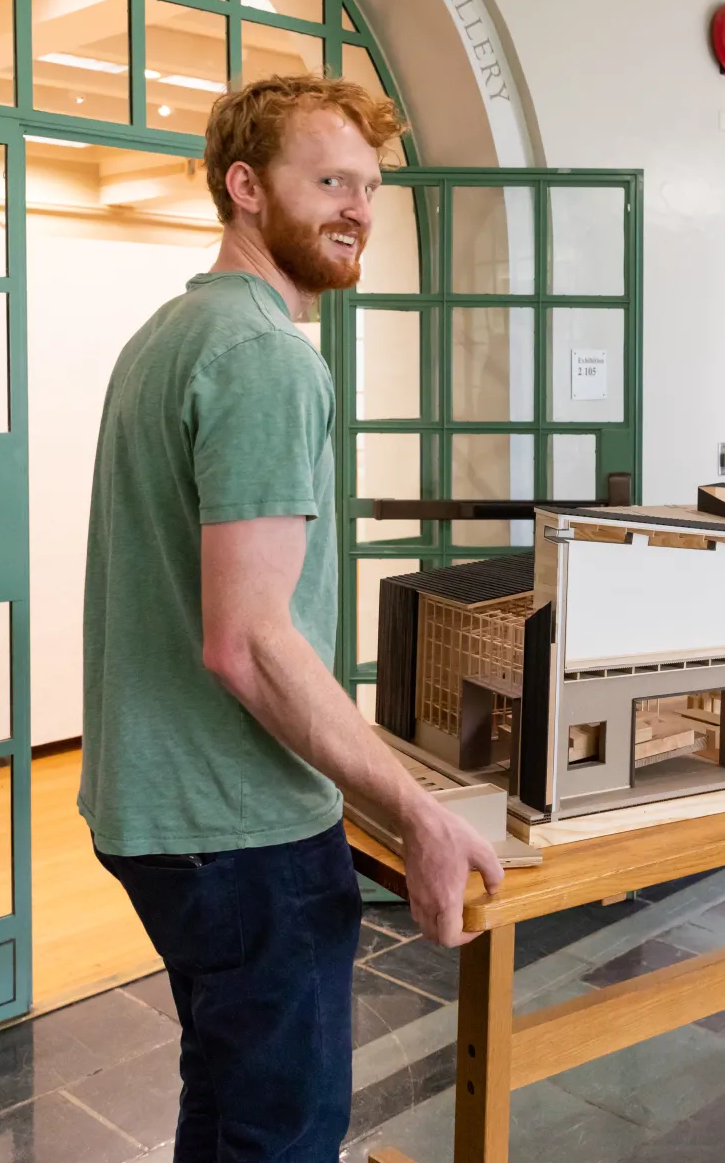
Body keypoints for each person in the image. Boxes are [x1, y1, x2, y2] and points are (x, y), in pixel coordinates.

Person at [81, 75, 503, 1161]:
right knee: (284, 1130)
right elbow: (249, 643)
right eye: (327, 180)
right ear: (245, 188)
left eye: (367, 186)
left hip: (160, 815)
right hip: (239, 828)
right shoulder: (268, 357)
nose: (357, 207)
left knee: (227, 1099)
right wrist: (416, 811)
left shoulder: (171, 333)